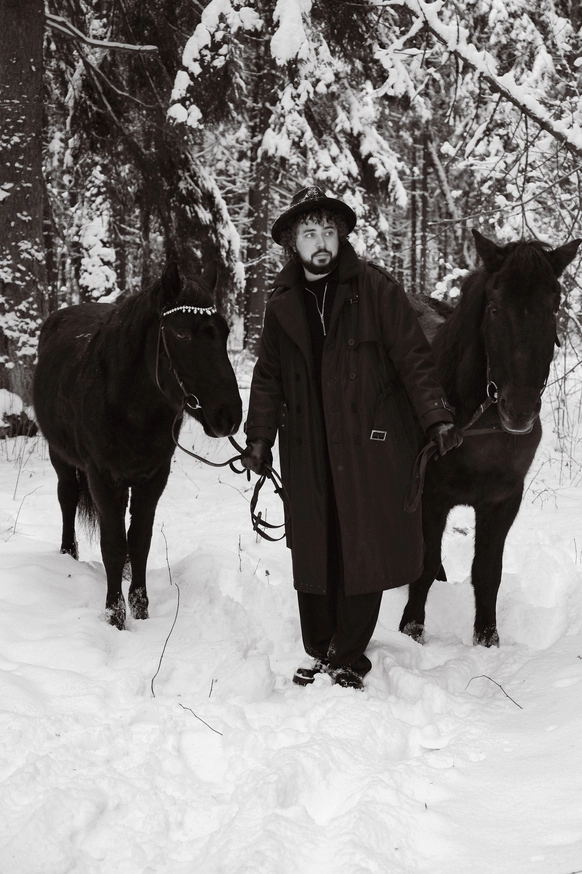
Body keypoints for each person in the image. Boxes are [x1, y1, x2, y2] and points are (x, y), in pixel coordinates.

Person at [241, 186, 462, 690]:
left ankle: (348, 657)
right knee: (315, 543)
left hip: (367, 442)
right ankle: (321, 648)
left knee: (359, 542)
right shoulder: (281, 304)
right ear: (293, 243)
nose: (321, 242)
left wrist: (436, 417)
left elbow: (413, 358)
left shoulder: (375, 289)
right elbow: (268, 376)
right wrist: (259, 439)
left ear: (340, 237)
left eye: (328, 231)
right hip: (307, 446)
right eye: (309, 233)